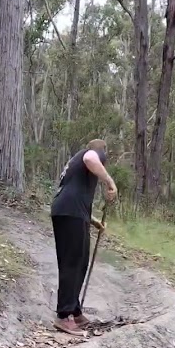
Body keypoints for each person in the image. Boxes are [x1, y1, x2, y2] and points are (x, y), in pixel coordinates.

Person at [50, 139, 117, 335]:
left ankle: (75, 310)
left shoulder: (75, 163)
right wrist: (110, 182)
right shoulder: (93, 153)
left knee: (80, 262)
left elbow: (75, 192)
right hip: (70, 212)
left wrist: (94, 221)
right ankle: (64, 315)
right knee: (72, 263)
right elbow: (90, 158)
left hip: (70, 212)